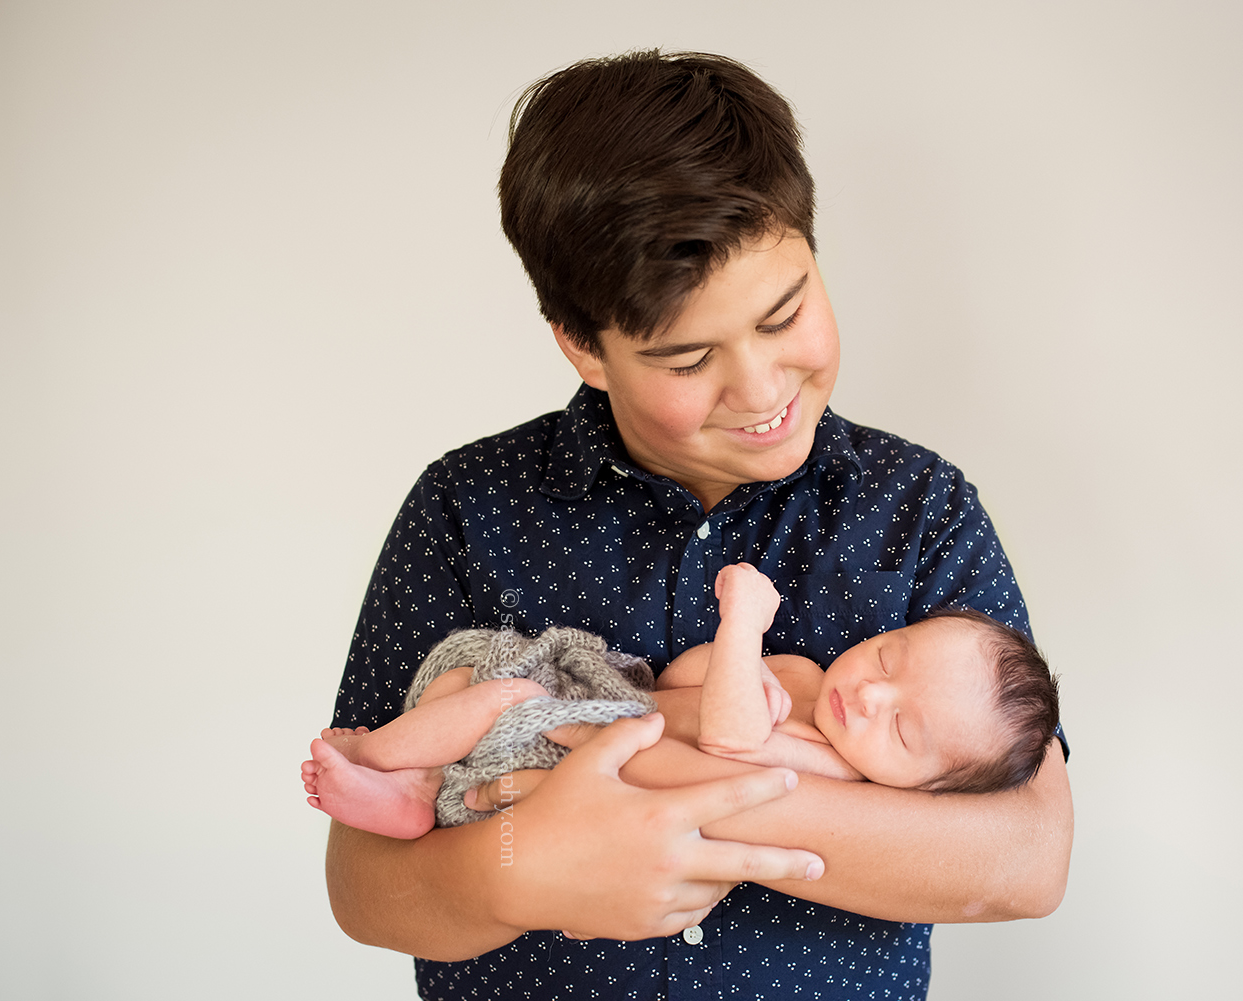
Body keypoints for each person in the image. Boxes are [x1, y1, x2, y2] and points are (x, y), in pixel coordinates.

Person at [325, 49, 1072, 1001]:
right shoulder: (468, 506)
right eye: (686, 359)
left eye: (786, 313)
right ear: (585, 345)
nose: (761, 391)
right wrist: (514, 862)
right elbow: (362, 883)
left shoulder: (919, 508)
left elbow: (1027, 855)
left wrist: (661, 801)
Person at [304, 563, 1060, 842]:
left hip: (596, 741)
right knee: (464, 679)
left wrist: (743, 624)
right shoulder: (804, 675)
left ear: (923, 791)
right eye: (890, 656)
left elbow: (729, 741)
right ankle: (410, 786)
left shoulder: (830, 764)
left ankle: (375, 759)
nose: (867, 691)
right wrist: (737, 662)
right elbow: (683, 679)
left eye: (899, 726)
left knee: (504, 694)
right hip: (617, 696)